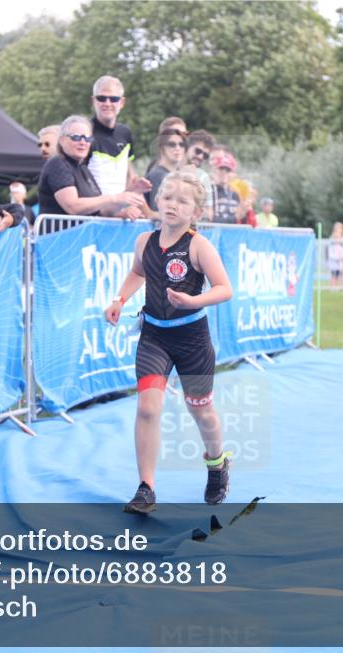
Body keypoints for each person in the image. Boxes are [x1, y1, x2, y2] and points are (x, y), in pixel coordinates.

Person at [104, 171, 233, 513]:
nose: (173, 204)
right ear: (158, 201)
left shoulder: (198, 246)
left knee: (202, 412)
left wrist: (193, 301)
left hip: (192, 339)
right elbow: (137, 272)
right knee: (147, 407)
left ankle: (217, 463)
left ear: (196, 212)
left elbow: (225, 288)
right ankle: (146, 488)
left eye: (183, 200)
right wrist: (119, 299)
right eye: (168, 197)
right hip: (154, 336)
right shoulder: (144, 241)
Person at [37, 115, 143, 218]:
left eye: (87, 139)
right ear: (62, 140)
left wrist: (127, 195)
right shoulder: (58, 163)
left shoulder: (83, 168)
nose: (83, 142)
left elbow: (101, 211)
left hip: (84, 234)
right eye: (76, 137)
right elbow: (73, 207)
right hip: (60, 235)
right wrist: (113, 198)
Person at [88, 75, 151, 210]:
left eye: (114, 99)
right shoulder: (85, 132)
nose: (107, 103)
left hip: (117, 213)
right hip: (91, 214)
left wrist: (147, 212)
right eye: (101, 98)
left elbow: (131, 175)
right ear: (94, 101)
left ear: (122, 103)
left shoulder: (125, 132)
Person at [145, 123, 187, 213]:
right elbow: (157, 210)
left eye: (181, 144)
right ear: (161, 148)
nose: (178, 148)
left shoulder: (174, 175)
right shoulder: (158, 175)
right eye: (172, 144)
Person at [182, 130, 216, 221]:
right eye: (198, 151)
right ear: (187, 147)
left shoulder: (203, 177)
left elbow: (209, 214)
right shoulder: (170, 170)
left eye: (205, 155)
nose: (200, 157)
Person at [210, 153, 240, 224]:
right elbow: (209, 218)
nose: (223, 172)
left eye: (227, 170)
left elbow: (241, 219)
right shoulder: (210, 191)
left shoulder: (235, 194)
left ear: (232, 174)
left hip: (231, 233)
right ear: (215, 170)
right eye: (221, 169)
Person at [327, 222, 343, 290]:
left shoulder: (341, 246)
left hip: (340, 263)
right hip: (334, 263)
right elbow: (331, 255)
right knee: (333, 275)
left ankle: (341, 286)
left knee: (340, 274)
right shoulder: (332, 246)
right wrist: (336, 258)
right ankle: (333, 286)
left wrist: (342, 258)